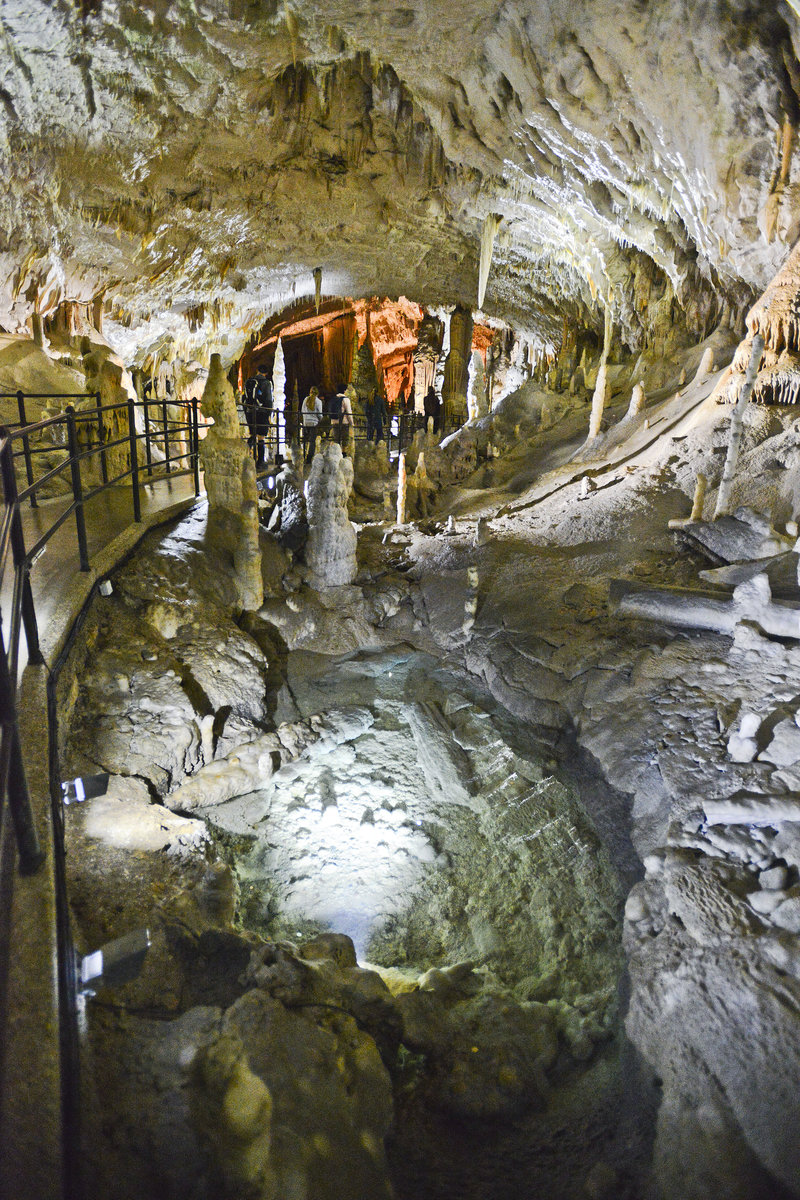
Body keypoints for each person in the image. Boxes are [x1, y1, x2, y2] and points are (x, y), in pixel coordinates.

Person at [301, 384, 322, 462]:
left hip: (306, 422)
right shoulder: (318, 401)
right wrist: (320, 420)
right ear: (317, 393)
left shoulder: (306, 399)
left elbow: (302, 411)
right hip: (314, 423)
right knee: (312, 441)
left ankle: (303, 454)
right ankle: (309, 458)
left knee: (305, 440)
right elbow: (319, 414)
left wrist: (304, 421)